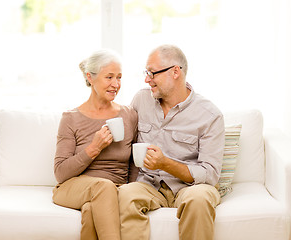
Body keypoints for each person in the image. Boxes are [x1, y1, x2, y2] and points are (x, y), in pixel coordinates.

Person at [118, 44, 225, 240]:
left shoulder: (210, 115)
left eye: (152, 73)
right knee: (123, 195)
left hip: (190, 188)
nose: (146, 79)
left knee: (200, 200)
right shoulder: (141, 100)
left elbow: (210, 175)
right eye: (146, 73)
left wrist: (165, 163)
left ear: (175, 72)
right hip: (150, 185)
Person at [52, 49, 138, 240]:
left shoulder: (129, 115)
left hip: (112, 190)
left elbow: (133, 163)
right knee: (103, 187)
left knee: (91, 210)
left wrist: (130, 191)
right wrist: (94, 148)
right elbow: (60, 173)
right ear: (90, 77)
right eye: (109, 77)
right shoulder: (71, 118)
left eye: (119, 77)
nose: (116, 84)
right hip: (73, 187)